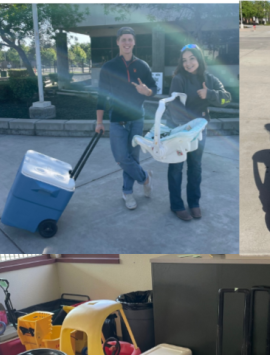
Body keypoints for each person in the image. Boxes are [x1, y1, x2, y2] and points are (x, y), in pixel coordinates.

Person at [165, 44, 231, 221]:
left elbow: (226, 98)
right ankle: (177, 205)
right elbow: (174, 106)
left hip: (199, 130)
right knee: (176, 167)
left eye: (192, 58)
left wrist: (209, 93)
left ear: (199, 59)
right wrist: (185, 129)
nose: (188, 63)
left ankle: (194, 203)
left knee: (195, 168)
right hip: (179, 130)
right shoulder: (179, 79)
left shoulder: (209, 79)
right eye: (184, 60)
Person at [96, 27, 158, 210]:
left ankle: (127, 192)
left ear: (134, 42)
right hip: (117, 120)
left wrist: (145, 90)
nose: (127, 43)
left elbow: (153, 89)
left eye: (130, 39)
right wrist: (99, 122)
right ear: (118, 42)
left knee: (133, 158)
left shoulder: (143, 65)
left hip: (137, 119)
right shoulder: (108, 67)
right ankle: (146, 177)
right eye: (123, 39)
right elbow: (101, 97)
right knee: (123, 158)